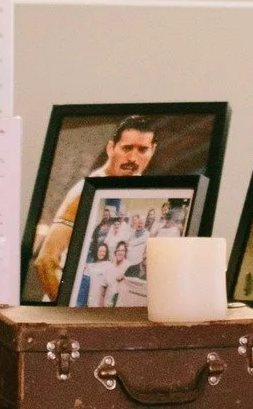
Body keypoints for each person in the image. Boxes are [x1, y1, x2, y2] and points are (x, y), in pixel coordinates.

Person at [33, 116, 159, 299]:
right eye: (126, 148)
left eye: (142, 150)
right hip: (71, 308)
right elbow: (45, 262)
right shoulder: (83, 192)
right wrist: (67, 311)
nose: (132, 158)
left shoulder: (140, 191)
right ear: (110, 148)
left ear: (153, 151)